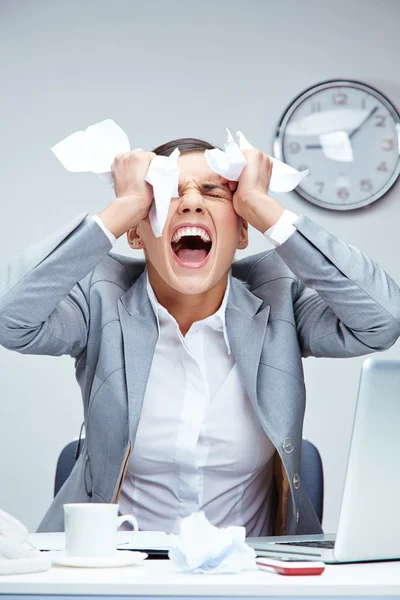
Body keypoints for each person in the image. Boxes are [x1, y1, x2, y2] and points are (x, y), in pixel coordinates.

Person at [1, 138, 399, 537]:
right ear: (137, 234)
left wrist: (265, 208)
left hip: (250, 578)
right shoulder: (100, 297)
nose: (191, 203)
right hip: (119, 572)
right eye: (168, 191)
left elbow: (383, 319)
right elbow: (9, 316)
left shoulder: (279, 297)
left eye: (213, 192)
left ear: (243, 231)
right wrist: (120, 210)